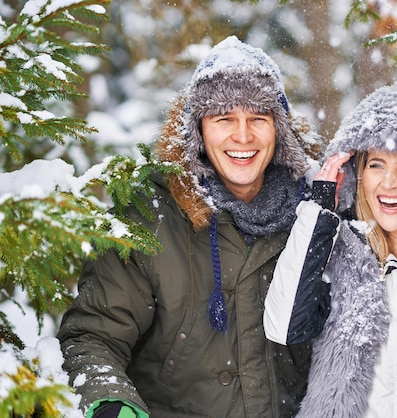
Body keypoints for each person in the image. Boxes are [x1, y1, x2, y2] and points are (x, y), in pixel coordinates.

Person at [57, 36, 320, 418]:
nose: (243, 136)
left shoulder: (313, 215)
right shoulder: (150, 217)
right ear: (198, 130)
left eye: (258, 119)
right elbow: (93, 337)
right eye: (224, 118)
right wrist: (112, 401)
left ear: (278, 130)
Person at [264, 82, 397, 417]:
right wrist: (321, 209)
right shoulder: (340, 254)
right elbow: (283, 325)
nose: (389, 183)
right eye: (376, 165)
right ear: (358, 173)